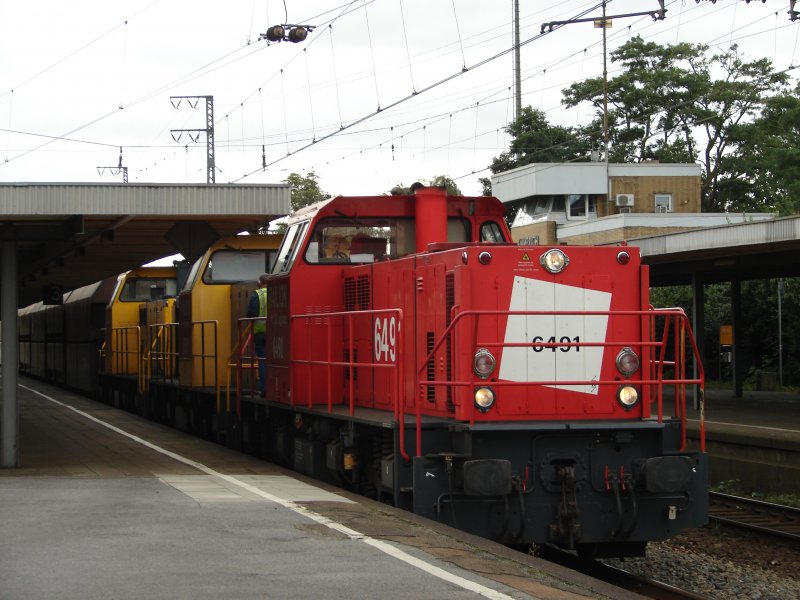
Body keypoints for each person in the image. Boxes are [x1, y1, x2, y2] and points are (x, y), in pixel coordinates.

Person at [247, 273, 269, 395]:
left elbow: (251, 313)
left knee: (263, 360)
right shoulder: (278, 291)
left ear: (259, 283)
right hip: (278, 333)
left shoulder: (257, 294)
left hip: (260, 333)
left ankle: (264, 388)